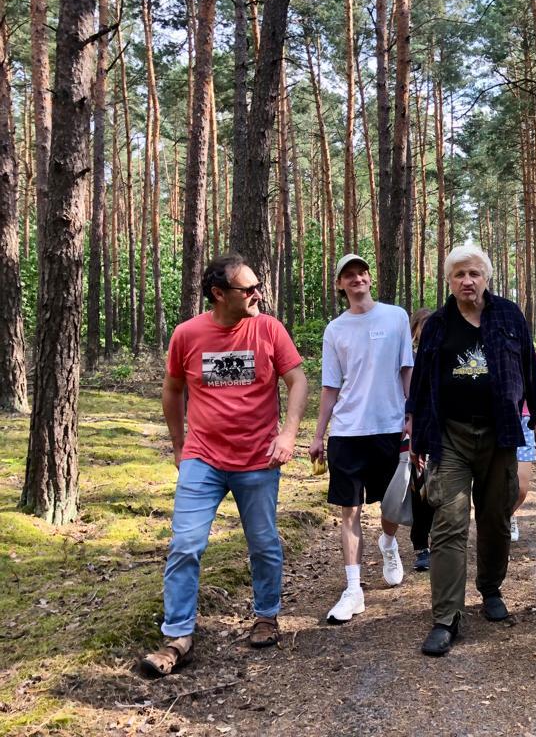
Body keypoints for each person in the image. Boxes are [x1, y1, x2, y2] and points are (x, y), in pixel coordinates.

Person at [140, 253, 308, 678]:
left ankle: (266, 615)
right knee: (185, 545)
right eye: (247, 289)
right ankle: (179, 637)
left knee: (264, 542)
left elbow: (298, 380)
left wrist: (287, 433)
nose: (257, 294)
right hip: (203, 458)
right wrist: (179, 446)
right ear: (218, 294)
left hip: (257, 459)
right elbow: (173, 389)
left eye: (258, 286)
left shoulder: (269, 329)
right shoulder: (187, 334)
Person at [407, 243, 536, 657]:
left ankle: (490, 589)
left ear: (486, 277)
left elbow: (529, 366)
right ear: (449, 281)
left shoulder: (508, 315)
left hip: (501, 432)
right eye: (459, 275)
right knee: (448, 521)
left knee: (495, 516)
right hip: (449, 434)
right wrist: (416, 435)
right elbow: (420, 383)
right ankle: (446, 616)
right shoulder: (436, 324)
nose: (467, 281)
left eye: (474, 274)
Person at [308, 254, 415, 623]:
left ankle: (388, 543)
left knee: (391, 507)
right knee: (349, 510)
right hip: (347, 431)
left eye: (361, 273)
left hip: (389, 426)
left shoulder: (396, 316)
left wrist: (411, 416)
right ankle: (353, 589)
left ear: (370, 278)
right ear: (340, 285)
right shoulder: (334, 330)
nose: (356, 279)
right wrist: (319, 434)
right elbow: (330, 386)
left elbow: (407, 370)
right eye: (348, 275)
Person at [408, 308, 435, 571]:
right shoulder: (409, 360)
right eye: (423, 326)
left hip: (439, 433)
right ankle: (421, 546)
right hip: (414, 432)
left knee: (437, 489)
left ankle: (439, 541)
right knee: (418, 492)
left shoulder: (442, 358)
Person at [510, 357, 536, 543]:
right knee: (497, 484)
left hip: (524, 420)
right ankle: (497, 523)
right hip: (499, 419)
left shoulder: (525, 347)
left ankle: (508, 514)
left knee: (521, 488)